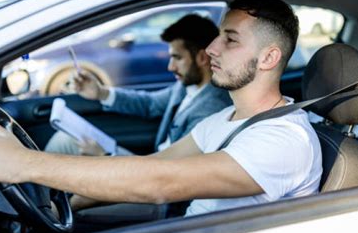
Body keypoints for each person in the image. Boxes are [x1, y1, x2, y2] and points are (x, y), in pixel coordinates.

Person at [0, 0, 322, 217]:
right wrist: (69, 202)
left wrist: (26, 164)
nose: (211, 48)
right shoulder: (225, 118)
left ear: (269, 57)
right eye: (217, 36)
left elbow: (161, 183)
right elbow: (154, 165)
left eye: (229, 39)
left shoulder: (284, 140)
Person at [45, 14, 231, 157]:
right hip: (151, 165)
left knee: (66, 143)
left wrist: (106, 156)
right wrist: (100, 92)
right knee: (66, 139)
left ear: (202, 57)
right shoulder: (186, 87)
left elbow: (175, 172)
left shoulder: (211, 108)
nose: (170, 67)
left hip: (159, 189)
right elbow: (150, 104)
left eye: (177, 57)